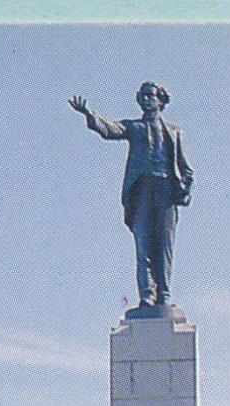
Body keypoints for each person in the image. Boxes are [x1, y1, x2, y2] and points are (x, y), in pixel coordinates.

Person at [69, 82, 194, 310]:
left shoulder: (175, 133)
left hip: (166, 190)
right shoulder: (134, 128)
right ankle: (147, 295)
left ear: (160, 100)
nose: (146, 99)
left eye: (151, 96)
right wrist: (89, 114)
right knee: (144, 245)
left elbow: (186, 168)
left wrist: (185, 186)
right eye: (142, 96)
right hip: (142, 191)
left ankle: (164, 295)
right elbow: (109, 129)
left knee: (164, 246)